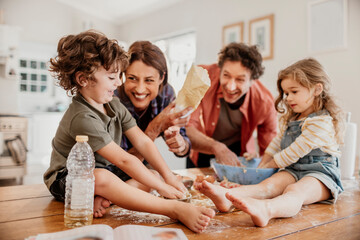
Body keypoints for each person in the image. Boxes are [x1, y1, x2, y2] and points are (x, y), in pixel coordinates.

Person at [43, 30, 214, 233]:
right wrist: (163, 190)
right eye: (112, 77)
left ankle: (106, 198)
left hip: (104, 172)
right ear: (83, 79)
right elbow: (125, 160)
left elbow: (143, 142)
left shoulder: (113, 103)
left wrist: (167, 177)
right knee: (102, 178)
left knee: (151, 175)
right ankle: (173, 209)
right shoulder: (82, 116)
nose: (118, 83)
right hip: (70, 178)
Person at [195, 58, 344, 227]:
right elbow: (276, 143)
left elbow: (294, 151)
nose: (288, 98)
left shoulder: (321, 122)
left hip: (321, 174)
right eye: (286, 93)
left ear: (317, 89)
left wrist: (269, 165)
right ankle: (227, 197)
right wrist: (262, 165)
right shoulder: (294, 118)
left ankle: (268, 209)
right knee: (267, 186)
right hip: (293, 170)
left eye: (294, 92)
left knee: (294, 191)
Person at [186, 42, 277, 168]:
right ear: (220, 70)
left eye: (240, 80)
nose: (230, 86)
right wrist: (216, 146)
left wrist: (259, 160)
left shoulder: (264, 102)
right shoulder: (201, 78)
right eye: (226, 75)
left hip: (238, 152)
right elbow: (187, 126)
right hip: (202, 146)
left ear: (252, 81)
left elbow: (270, 151)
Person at [115, 41, 192, 161]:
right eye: (132, 78)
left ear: (161, 78)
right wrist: (155, 128)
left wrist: (181, 145)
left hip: (143, 163)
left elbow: (184, 146)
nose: (140, 89)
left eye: (149, 80)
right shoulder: (113, 100)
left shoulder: (166, 94)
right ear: (124, 74)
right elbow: (120, 166)